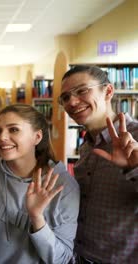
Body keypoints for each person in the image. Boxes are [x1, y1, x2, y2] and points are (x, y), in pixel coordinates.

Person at [0, 104, 80, 263]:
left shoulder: (63, 185)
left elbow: (61, 259)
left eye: (13, 129)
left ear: (37, 137)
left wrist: (36, 218)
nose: (2, 137)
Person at [60, 65, 138, 263]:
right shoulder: (87, 146)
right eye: (66, 97)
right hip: (80, 256)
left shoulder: (135, 138)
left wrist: (134, 168)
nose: (73, 102)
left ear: (108, 91)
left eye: (82, 90)